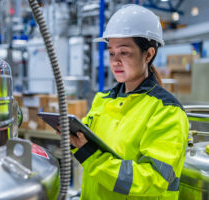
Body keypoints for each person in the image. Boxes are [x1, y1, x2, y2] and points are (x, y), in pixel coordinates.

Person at [69, 4, 189, 200]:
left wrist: (91, 158)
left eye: (124, 52)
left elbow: (151, 180)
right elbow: (86, 144)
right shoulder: (103, 100)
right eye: (111, 53)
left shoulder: (166, 112)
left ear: (148, 54)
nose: (115, 61)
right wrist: (73, 139)